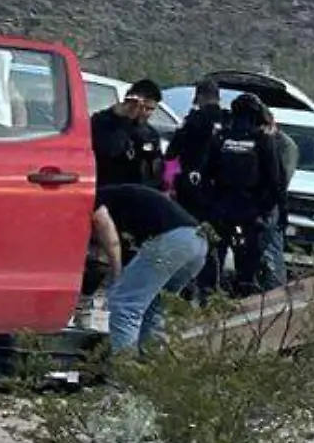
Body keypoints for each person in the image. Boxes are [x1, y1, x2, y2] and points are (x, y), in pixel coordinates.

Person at [90, 183, 210, 353]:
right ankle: (153, 370)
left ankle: (125, 373)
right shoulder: (120, 201)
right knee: (153, 311)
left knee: (124, 305)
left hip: (172, 241)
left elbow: (111, 240)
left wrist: (116, 276)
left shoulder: (91, 201)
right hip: (197, 242)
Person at [200, 92, 286, 296]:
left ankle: (208, 298)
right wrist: (272, 210)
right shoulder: (263, 140)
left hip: (222, 209)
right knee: (248, 268)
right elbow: (276, 180)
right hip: (251, 212)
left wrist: (210, 204)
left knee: (214, 262)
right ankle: (242, 298)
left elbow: (206, 173)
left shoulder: (221, 137)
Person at [90, 78, 166, 189]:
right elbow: (108, 150)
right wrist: (121, 118)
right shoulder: (102, 122)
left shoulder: (150, 134)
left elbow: (156, 172)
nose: (144, 112)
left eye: (149, 109)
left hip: (139, 193)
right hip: (108, 190)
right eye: (140, 107)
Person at [165, 77, 225, 218]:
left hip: (192, 180)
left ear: (199, 96)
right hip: (219, 185)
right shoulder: (228, 120)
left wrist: (169, 181)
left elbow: (172, 152)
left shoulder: (194, 120)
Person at [259, 103, 298, 291]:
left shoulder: (284, 145)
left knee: (272, 250)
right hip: (258, 204)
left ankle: (275, 290)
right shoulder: (262, 142)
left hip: (272, 204)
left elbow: (282, 178)